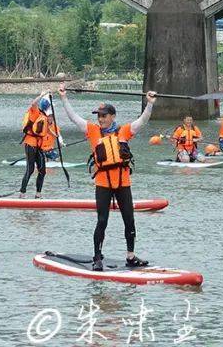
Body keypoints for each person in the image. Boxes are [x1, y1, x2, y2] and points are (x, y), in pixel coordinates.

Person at [57, 83, 154, 272]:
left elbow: (142, 121)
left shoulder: (124, 131)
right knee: (102, 221)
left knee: (129, 220)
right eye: (98, 116)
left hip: (123, 183)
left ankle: (131, 257)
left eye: (103, 116)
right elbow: (73, 117)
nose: (100, 119)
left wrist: (149, 103)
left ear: (112, 117)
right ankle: (97, 257)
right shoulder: (92, 131)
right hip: (103, 184)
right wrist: (64, 98)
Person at [19, 92, 54, 198]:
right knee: (30, 169)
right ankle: (22, 193)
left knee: (42, 170)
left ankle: (38, 194)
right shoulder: (35, 111)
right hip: (30, 144)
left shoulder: (44, 117)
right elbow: (33, 103)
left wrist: (56, 136)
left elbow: (46, 130)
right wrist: (41, 94)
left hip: (39, 146)